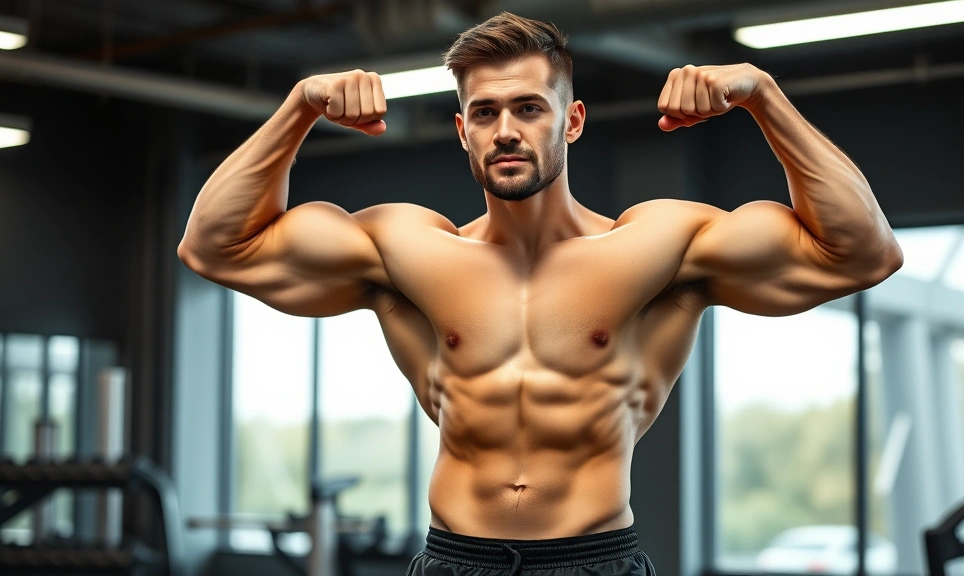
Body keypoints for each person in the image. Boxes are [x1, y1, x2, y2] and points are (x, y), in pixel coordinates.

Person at [178, 11, 903, 576]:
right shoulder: (406, 248)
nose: (507, 131)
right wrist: (300, 107)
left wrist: (764, 97)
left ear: (572, 120)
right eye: (486, 114)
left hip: (594, 560)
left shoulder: (658, 246)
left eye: (529, 108)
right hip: (456, 561)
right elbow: (214, 244)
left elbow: (862, 253)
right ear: (463, 132)